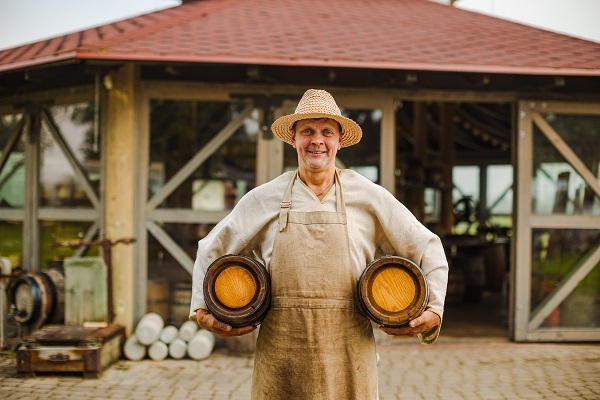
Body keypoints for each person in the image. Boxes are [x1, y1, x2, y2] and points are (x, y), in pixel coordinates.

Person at [191, 89, 449, 399]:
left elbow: (427, 246)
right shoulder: (266, 198)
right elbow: (212, 248)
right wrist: (202, 310)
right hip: (282, 355)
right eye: (307, 131)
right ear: (293, 139)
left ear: (339, 140)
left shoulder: (367, 195)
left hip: (349, 355)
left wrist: (433, 309)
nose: (317, 140)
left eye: (327, 131)